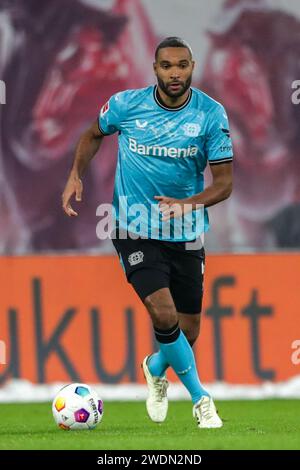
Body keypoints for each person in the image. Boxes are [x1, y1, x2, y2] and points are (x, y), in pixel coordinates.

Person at [62, 37, 233, 428]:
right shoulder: (126, 104)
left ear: (192, 66)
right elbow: (92, 133)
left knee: (186, 332)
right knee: (162, 311)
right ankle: (201, 399)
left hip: (187, 232)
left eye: (182, 66)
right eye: (167, 66)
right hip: (133, 226)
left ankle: (156, 368)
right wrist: (75, 175)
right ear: (154, 69)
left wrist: (187, 205)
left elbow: (224, 184)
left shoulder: (210, 114)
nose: (175, 73)